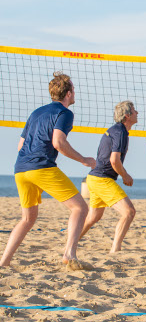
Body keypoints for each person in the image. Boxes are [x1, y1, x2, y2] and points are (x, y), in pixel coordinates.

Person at [0, 72, 96, 269]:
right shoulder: (65, 113)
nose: (75, 93)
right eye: (74, 89)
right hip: (41, 167)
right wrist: (83, 159)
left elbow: (20, 146)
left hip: (20, 168)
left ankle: (4, 262)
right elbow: (58, 142)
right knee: (80, 208)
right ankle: (69, 254)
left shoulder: (36, 113)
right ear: (68, 93)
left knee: (27, 218)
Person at [79, 101, 138, 253]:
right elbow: (114, 160)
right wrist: (125, 175)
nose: (137, 113)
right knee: (129, 212)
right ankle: (115, 250)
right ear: (127, 116)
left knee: (93, 217)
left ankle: (71, 243)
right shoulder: (120, 132)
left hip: (94, 178)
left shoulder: (116, 130)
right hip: (102, 179)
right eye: (134, 111)